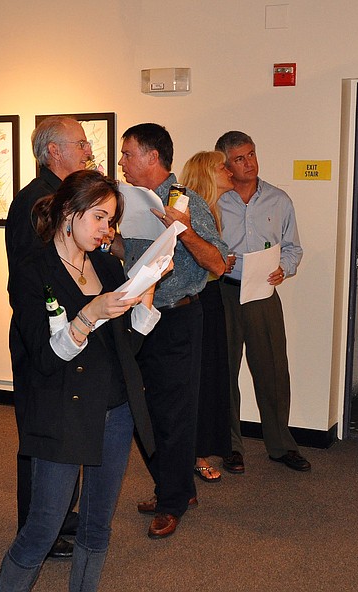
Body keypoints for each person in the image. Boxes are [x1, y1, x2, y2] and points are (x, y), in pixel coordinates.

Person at [0, 169, 156, 592]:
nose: (107, 231)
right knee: (43, 529)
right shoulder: (33, 270)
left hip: (115, 410)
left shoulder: (105, 262)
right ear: (69, 212)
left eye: (112, 221)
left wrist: (144, 302)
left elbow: (126, 348)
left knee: (98, 527)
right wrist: (90, 314)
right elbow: (45, 357)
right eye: (100, 218)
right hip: (62, 410)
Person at [116, 123, 227, 539]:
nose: (122, 162)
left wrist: (183, 229)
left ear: (152, 157)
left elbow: (216, 264)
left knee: (174, 413)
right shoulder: (127, 202)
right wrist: (113, 241)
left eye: (128, 154)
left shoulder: (189, 202)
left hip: (176, 318)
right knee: (141, 410)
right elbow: (133, 254)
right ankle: (175, 487)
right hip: (135, 317)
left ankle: (172, 500)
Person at [4, 116, 94, 559]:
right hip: (41, 335)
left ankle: (60, 511)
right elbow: (28, 278)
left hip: (66, 332)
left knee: (66, 423)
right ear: (53, 151)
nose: (88, 150)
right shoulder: (35, 202)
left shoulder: (58, 196)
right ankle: (36, 524)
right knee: (41, 429)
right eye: (80, 143)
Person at [215, 131, 309, 473]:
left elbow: (293, 247)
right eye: (240, 158)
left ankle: (281, 445)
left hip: (263, 293)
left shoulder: (278, 199)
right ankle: (230, 447)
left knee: (272, 372)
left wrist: (284, 268)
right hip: (223, 292)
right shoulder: (215, 201)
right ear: (225, 164)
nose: (250, 163)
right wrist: (216, 260)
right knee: (224, 371)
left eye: (252, 154)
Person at [178, 151, 235, 482]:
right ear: (205, 174)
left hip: (210, 298)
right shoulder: (193, 210)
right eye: (221, 167)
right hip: (196, 301)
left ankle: (197, 452)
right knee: (198, 380)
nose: (228, 171)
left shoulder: (210, 210)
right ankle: (194, 456)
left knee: (210, 377)